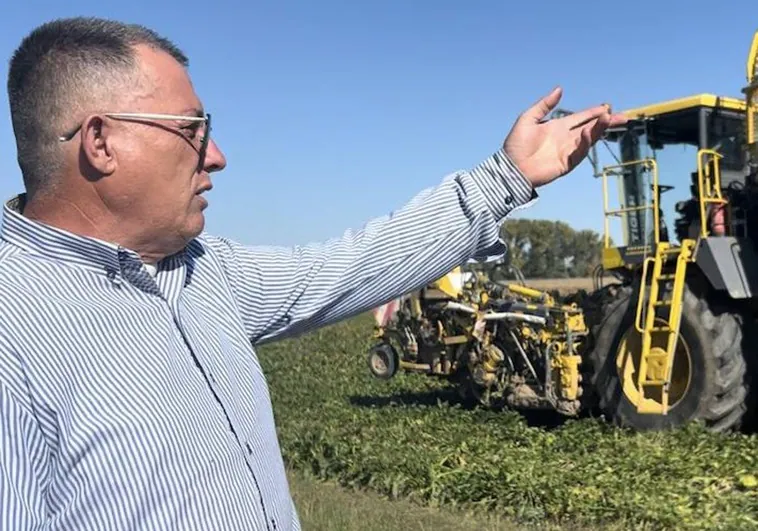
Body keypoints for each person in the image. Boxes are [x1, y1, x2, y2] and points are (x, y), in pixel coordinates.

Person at [0, 16, 627, 531]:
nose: (215, 155)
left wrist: (505, 179)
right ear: (101, 142)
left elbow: (346, 266)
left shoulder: (206, 272)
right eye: (194, 129)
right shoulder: (16, 332)